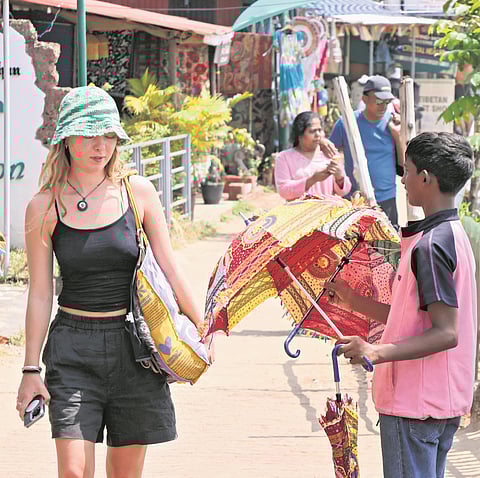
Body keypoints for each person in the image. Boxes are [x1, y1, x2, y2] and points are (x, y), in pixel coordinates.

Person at [15, 86, 208, 477]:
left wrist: (203, 327)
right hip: (72, 348)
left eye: (108, 135)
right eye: (88, 135)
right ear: (66, 139)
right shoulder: (43, 206)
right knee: (73, 473)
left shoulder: (137, 193)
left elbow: (169, 267)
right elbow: (40, 293)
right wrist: (30, 370)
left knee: (124, 474)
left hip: (134, 347)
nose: (100, 146)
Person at [325, 132, 477, 478]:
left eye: (407, 170)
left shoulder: (431, 247)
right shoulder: (451, 235)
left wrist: (375, 352)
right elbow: (413, 317)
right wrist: (353, 300)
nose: (403, 179)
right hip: (439, 401)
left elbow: (446, 332)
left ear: (426, 178)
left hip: (415, 404)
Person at [327, 75, 404, 227]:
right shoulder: (347, 123)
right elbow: (329, 152)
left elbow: (404, 164)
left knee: (387, 246)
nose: (383, 106)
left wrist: (397, 136)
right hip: (355, 198)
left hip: (386, 198)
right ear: (364, 99)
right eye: (379, 101)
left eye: (387, 102)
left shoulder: (393, 123)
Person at [274, 111, 351, 201]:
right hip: (298, 213)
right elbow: (284, 191)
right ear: (300, 134)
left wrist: (340, 178)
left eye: (320, 130)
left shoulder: (329, 154)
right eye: (312, 131)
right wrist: (312, 180)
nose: (318, 135)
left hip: (326, 212)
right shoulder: (284, 158)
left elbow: (344, 191)